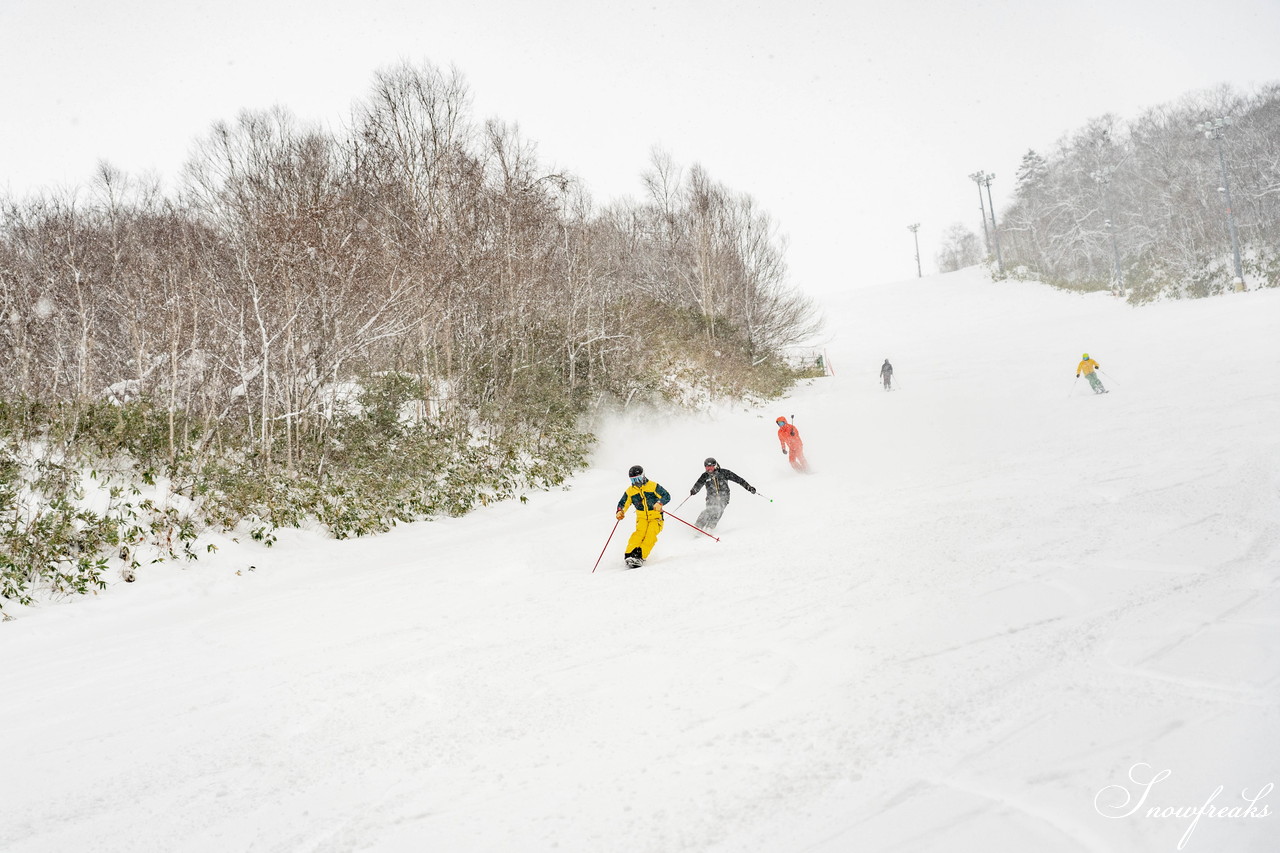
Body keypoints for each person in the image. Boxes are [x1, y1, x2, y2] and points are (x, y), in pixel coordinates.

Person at [615, 465, 671, 568]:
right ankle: (630, 554)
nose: (636, 482)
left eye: (638, 479)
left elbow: (666, 496)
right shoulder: (631, 491)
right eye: (633, 480)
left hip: (655, 517)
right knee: (638, 534)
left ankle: (640, 556)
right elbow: (623, 503)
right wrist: (620, 511)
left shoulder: (652, 486)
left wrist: (660, 503)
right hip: (641, 518)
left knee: (650, 534)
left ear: (643, 476)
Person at [688, 457, 756, 531]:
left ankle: (710, 527)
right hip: (711, 497)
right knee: (708, 511)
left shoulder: (724, 473)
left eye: (710, 466)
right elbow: (698, 484)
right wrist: (694, 490)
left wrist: (749, 487)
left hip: (724, 496)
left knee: (718, 509)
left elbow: (738, 479)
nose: (709, 469)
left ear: (715, 465)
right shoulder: (705, 476)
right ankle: (698, 527)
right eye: (707, 467)